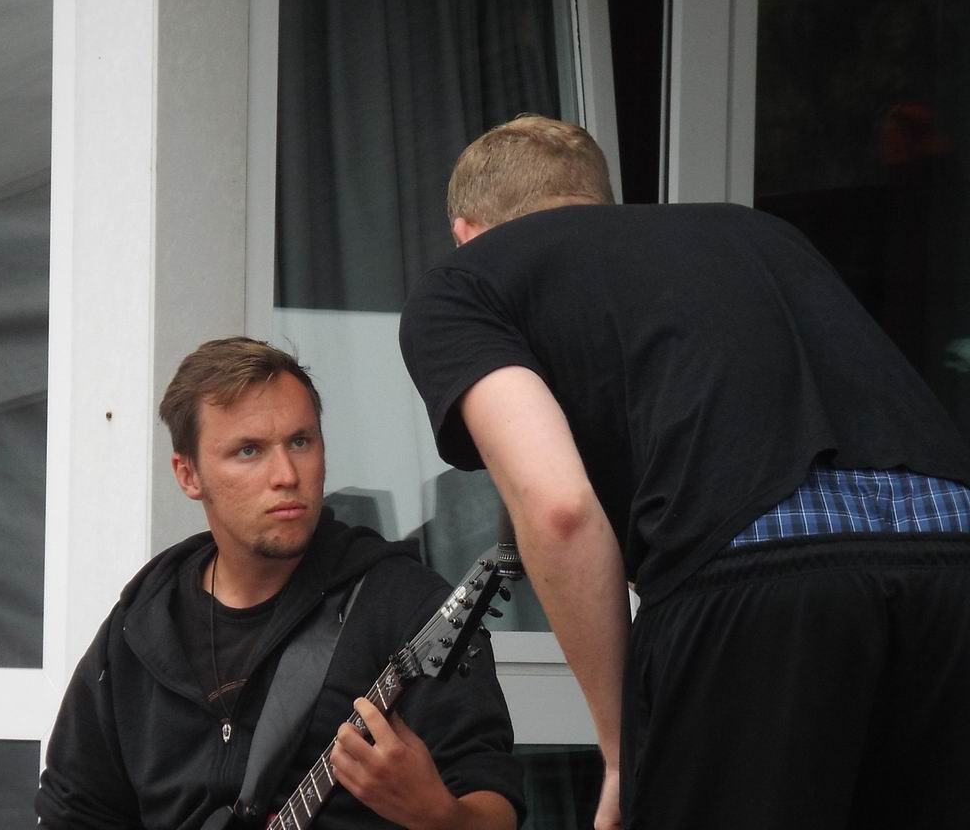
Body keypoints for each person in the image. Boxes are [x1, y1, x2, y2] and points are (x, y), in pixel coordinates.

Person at [398, 115, 970, 829]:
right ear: (600, 202)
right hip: (952, 546)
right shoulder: (759, 234)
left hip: (761, 570)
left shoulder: (464, 281)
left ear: (465, 232)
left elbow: (558, 508)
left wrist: (622, 752)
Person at [35, 337, 523, 830]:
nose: (287, 475)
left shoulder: (406, 607)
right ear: (188, 474)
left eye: (300, 442)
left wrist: (438, 816)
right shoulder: (143, 623)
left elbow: (495, 804)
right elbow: (73, 811)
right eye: (249, 450)